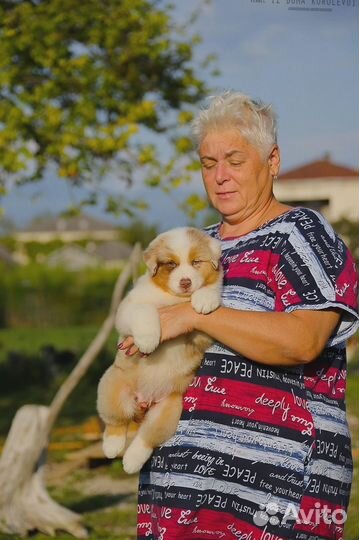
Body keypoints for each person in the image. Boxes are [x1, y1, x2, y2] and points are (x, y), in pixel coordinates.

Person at [121, 92, 359, 540]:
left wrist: (195, 317)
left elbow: (304, 340)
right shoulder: (193, 247)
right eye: (208, 163)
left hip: (274, 496)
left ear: (272, 161)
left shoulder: (301, 234)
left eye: (234, 159)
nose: (220, 176)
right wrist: (140, 393)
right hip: (178, 492)